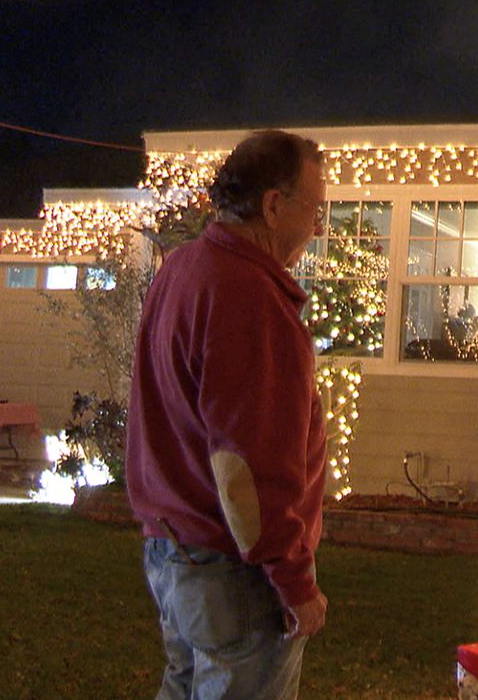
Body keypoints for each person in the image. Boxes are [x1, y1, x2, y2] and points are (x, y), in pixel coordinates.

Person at [126, 129, 330, 700]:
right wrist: (295, 582)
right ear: (273, 204)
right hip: (233, 574)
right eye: (316, 209)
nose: (319, 227)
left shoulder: (182, 269)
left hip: (174, 554)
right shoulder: (250, 296)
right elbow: (246, 467)